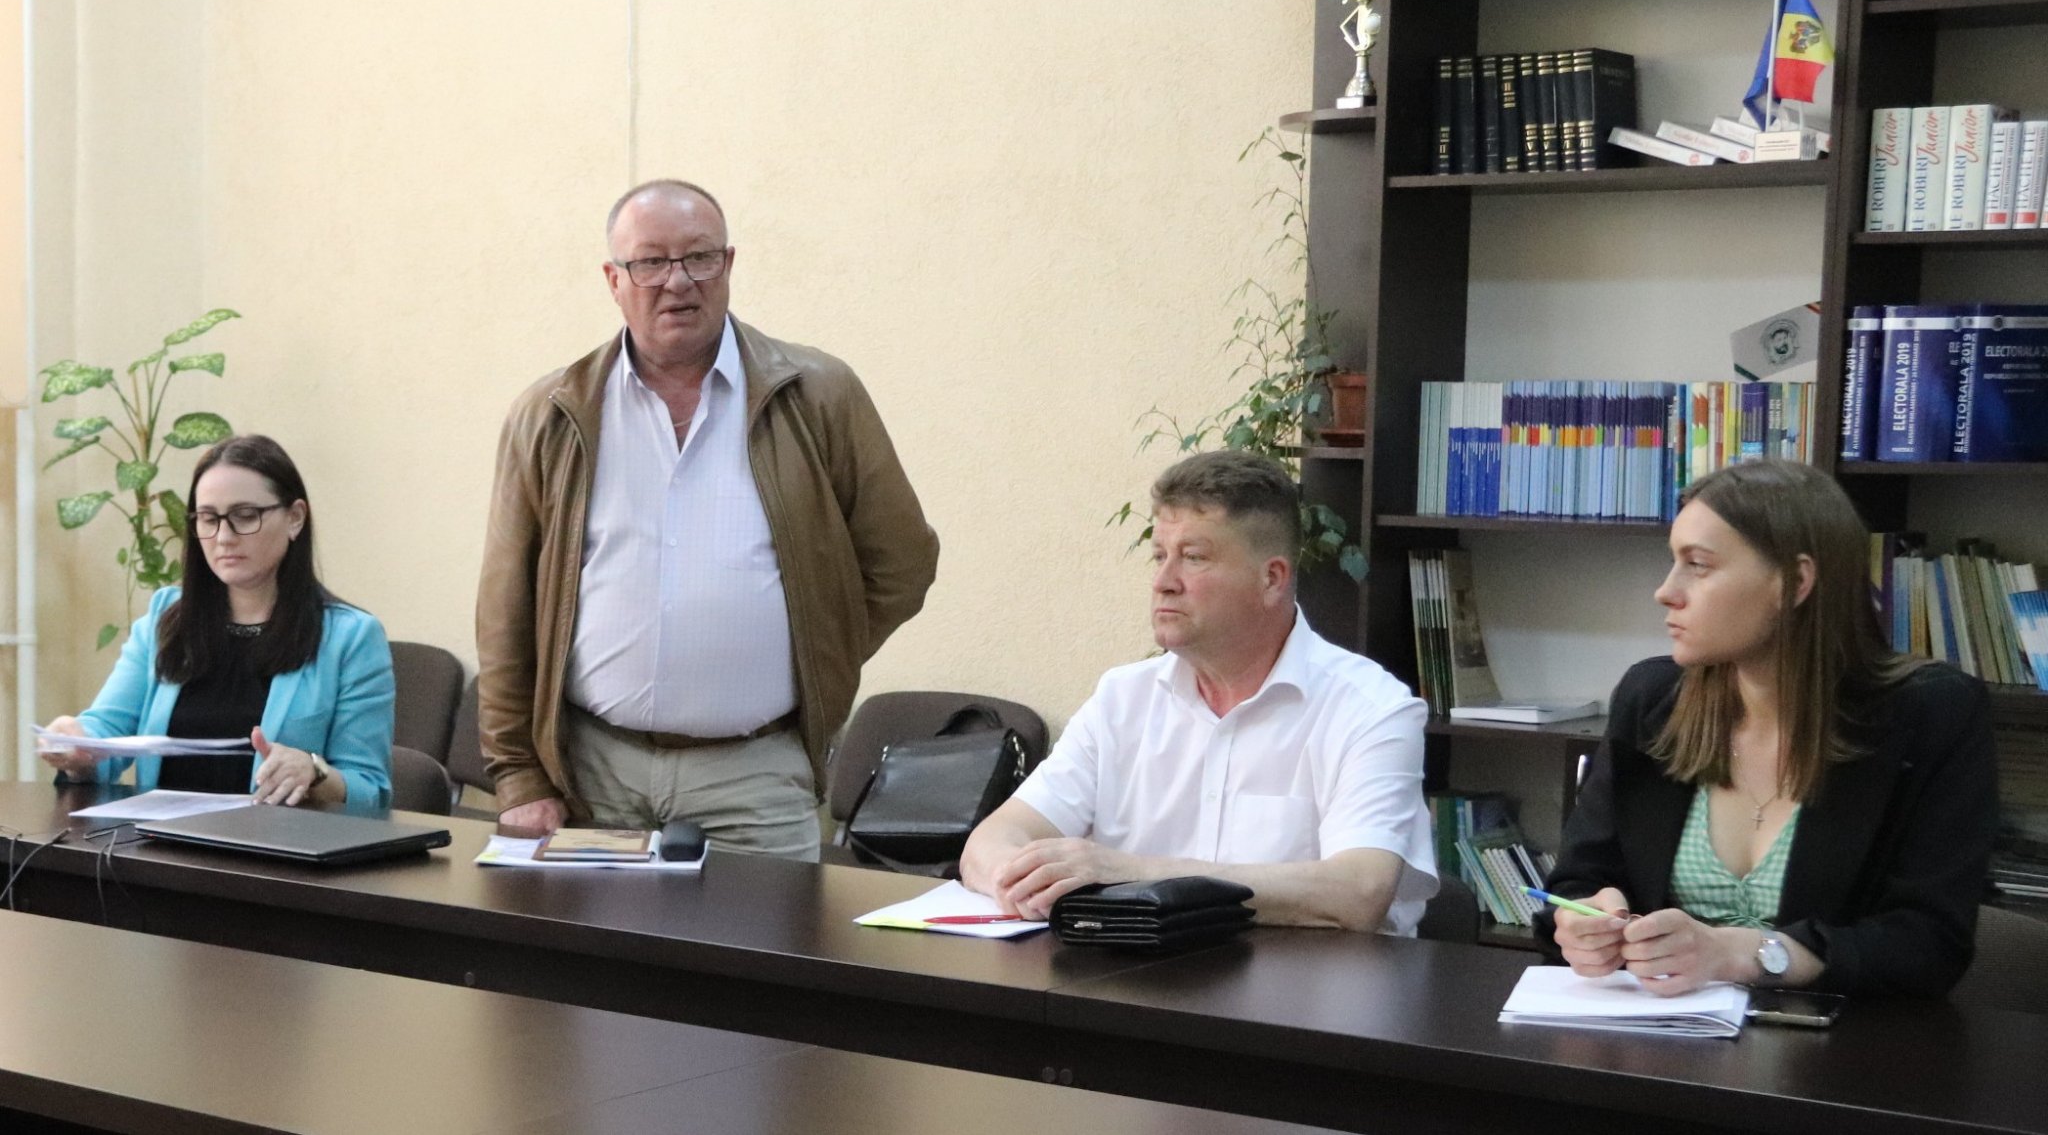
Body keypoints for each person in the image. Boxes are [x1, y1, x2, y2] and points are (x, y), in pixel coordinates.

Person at [476, 178, 938, 858]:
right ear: (613, 279)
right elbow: (506, 607)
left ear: (728, 264)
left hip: (756, 777)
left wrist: (817, 650)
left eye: (699, 257)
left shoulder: (818, 396)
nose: (678, 281)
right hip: (592, 775)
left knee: (767, 933)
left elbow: (902, 561)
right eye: (650, 262)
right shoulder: (553, 415)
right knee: (592, 936)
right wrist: (518, 773)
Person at [1543, 458, 1997, 998]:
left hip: (1846, 1042)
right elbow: (1577, 882)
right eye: (1673, 561)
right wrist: (1583, 922)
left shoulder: (1933, 713)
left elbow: (1929, 944)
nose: (1666, 591)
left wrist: (1744, 954)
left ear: (1795, 581)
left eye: (1698, 565)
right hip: (1660, 1031)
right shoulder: (1652, 699)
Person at [960, 451, 1437, 933]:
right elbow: (992, 841)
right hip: (1136, 972)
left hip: (1309, 979)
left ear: (1271, 579)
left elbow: (1358, 891)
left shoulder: (1369, 709)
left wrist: (1131, 872)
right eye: (1159, 556)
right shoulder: (1122, 700)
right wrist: (1023, 882)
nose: (1163, 582)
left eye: (1193, 557)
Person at [40, 435, 395, 807]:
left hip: (271, 843)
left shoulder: (351, 638)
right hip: (158, 838)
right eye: (209, 519)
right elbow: (108, 731)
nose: (224, 537)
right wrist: (78, 745)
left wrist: (314, 771)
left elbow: (371, 792)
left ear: (294, 518)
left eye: (245, 516)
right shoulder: (166, 616)